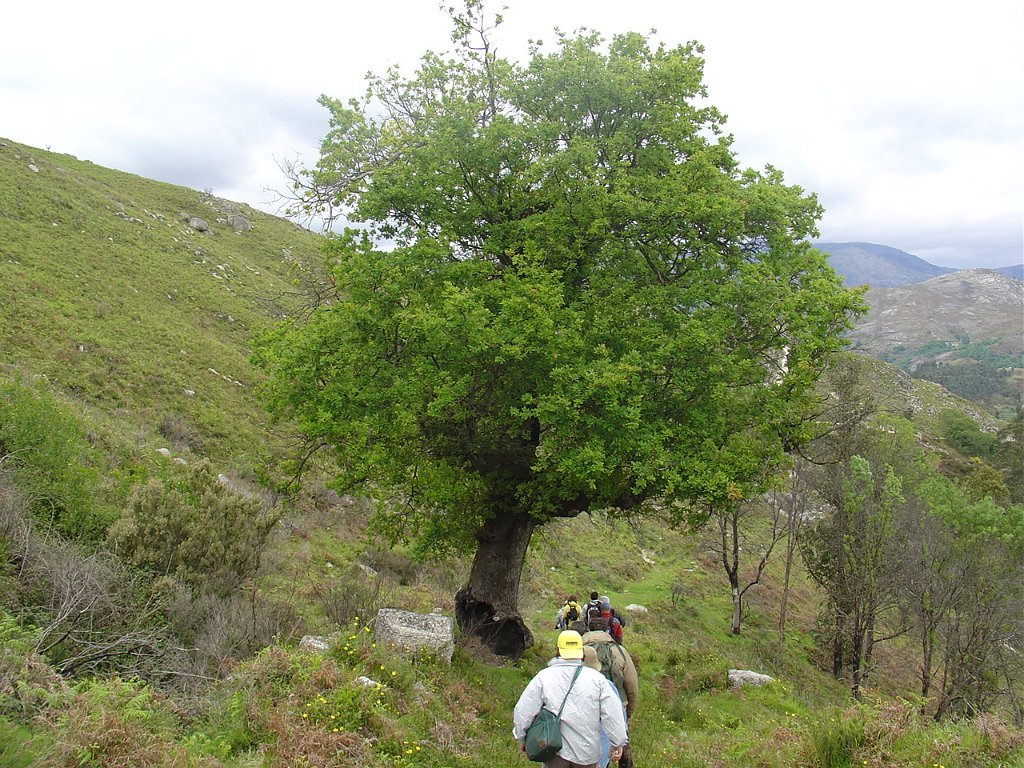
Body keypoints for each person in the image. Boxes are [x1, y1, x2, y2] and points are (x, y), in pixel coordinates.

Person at [513, 630, 627, 768]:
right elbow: (613, 713)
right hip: (587, 754)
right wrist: (617, 743)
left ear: (558, 650)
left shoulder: (544, 677)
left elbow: (524, 710)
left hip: (555, 752)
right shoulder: (598, 680)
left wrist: (521, 736)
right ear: (581, 652)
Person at [582, 619, 639, 768]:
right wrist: (628, 712)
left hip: (586, 706)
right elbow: (632, 684)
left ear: (588, 629)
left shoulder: (580, 651)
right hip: (617, 704)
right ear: (607, 630)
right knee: (622, 742)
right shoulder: (619, 651)